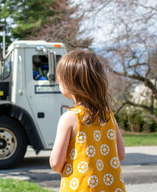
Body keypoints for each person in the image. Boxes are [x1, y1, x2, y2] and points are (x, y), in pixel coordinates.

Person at [49, 49, 126, 191]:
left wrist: (64, 170)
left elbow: (55, 162)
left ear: (70, 83)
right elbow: (120, 154)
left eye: (60, 79)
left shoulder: (70, 118)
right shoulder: (108, 116)